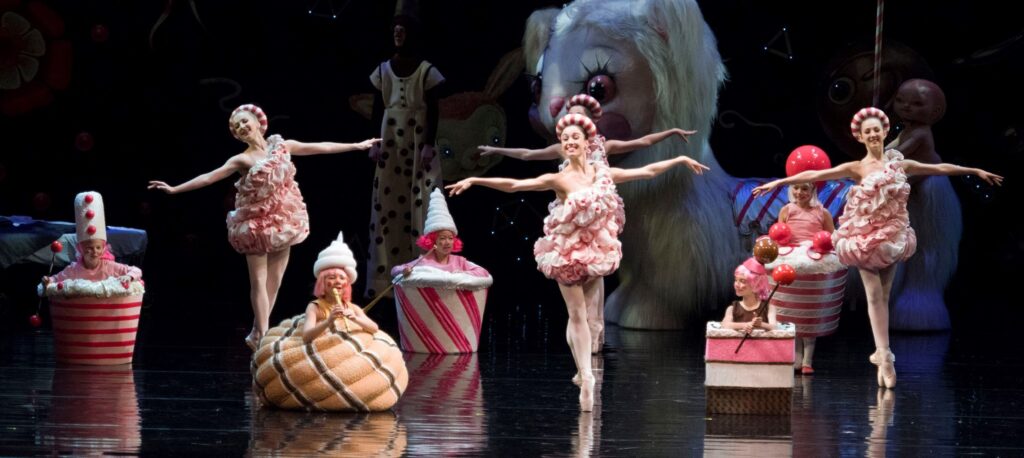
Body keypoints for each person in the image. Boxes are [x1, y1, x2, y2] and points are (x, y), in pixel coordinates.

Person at [446, 113, 709, 411]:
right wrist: (475, 179)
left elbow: (646, 171)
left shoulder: (603, 173)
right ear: (563, 145)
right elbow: (516, 185)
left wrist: (680, 160)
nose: (570, 142)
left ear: (587, 143)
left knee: (584, 320)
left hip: (596, 251)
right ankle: (586, 375)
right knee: (577, 315)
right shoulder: (560, 178)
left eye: (576, 138)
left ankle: (584, 370)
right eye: (566, 139)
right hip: (567, 252)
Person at [753, 107, 1003, 388]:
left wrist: (974, 170)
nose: (873, 135)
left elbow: (937, 167)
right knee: (873, 296)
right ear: (860, 136)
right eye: (867, 131)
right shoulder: (857, 168)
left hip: (891, 236)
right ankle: (885, 356)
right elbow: (818, 172)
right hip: (863, 238)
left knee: (883, 296)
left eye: (876, 130)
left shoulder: (899, 165)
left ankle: (882, 353)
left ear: (885, 133)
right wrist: (779, 182)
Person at [148, 104, 378, 350]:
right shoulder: (242, 159)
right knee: (259, 280)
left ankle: (257, 332)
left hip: (283, 219)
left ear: (258, 122)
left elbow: (318, 147)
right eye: (237, 127)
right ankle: (264, 335)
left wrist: (355, 145)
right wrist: (175, 189)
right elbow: (210, 176)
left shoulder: (281, 146)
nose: (242, 127)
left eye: (245, 122)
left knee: (275, 280)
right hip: (255, 222)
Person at [477, 94, 695, 353]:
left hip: (600, 209)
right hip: (573, 210)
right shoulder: (565, 147)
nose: (576, 121)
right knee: (578, 278)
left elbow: (643, 143)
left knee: (596, 271)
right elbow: (527, 155)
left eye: (582, 116)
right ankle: (584, 340)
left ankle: (593, 340)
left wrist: (670, 133)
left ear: (589, 122)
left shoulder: (604, 146)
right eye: (573, 115)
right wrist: (496, 151)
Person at [365, 8, 446, 297]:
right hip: (391, 145)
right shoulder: (384, 69)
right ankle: (384, 282)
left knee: (421, 205)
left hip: (417, 142)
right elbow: (376, 109)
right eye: (394, 30)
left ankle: (422, 275)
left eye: (403, 30)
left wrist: (427, 144)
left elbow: (435, 111)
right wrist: (374, 142)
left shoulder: (425, 70)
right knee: (387, 208)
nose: (397, 34)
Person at [303, 232, 379, 343]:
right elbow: (306, 336)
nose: (338, 282)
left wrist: (355, 318)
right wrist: (328, 321)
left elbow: (374, 328)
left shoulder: (351, 307)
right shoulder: (315, 307)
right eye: (332, 277)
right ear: (322, 282)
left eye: (342, 278)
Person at [720, 258, 779, 334]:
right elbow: (725, 325)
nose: (737, 284)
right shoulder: (732, 309)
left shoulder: (769, 308)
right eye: (736, 280)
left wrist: (761, 324)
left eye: (742, 281)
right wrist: (745, 325)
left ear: (757, 285)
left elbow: (774, 327)